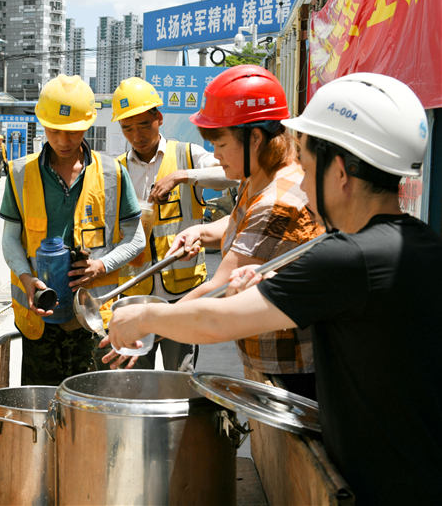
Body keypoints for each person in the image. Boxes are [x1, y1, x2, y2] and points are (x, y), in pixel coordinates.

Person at [105, 72, 442, 504]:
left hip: (384, 482)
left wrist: (146, 315)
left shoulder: (344, 258)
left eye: (308, 165)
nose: (300, 183)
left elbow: (216, 320)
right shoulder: (418, 242)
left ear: (339, 172)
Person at [156, 66, 322, 398]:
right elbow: (241, 226)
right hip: (266, 358)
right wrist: (202, 232)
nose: (215, 154)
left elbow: (219, 290)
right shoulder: (260, 175)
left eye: (220, 142)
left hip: (289, 373)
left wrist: (149, 323)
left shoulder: (278, 201)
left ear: (255, 138)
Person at [0, 74, 145, 385]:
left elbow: (136, 238)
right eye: (55, 131)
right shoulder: (20, 173)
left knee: (93, 412)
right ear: (42, 124)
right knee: (43, 408)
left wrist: (101, 266)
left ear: (88, 125)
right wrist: (27, 279)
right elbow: (11, 239)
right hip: (40, 320)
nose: (64, 141)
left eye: (74, 132)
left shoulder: (113, 173)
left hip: (93, 318)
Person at [106, 76, 236, 371]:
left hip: (184, 296)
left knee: (182, 379)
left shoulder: (187, 155)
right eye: (128, 128)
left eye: (143, 125)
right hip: (136, 297)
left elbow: (232, 174)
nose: (137, 135)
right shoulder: (117, 171)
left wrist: (184, 176)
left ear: (159, 119)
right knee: (136, 383)